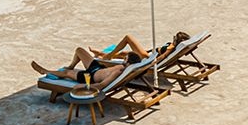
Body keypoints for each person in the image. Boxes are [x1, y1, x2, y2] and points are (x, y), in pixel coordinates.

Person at [31, 32, 187, 83]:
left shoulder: (119, 71)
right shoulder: (124, 67)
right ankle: (79, 63)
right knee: (79, 50)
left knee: (66, 73)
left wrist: (87, 87)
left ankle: (45, 71)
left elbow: (101, 86)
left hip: (91, 76)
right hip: (97, 69)